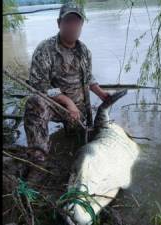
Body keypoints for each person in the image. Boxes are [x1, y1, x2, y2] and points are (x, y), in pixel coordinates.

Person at [23, 2, 110, 182]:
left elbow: (88, 77)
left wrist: (101, 93)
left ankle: (73, 134)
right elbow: (41, 87)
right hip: (56, 106)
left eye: (76, 22)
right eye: (68, 21)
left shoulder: (84, 51)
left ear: (81, 25)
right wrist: (68, 103)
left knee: (82, 146)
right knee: (34, 102)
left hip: (79, 111)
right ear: (58, 23)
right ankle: (38, 163)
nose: (72, 26)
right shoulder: (44, 50)